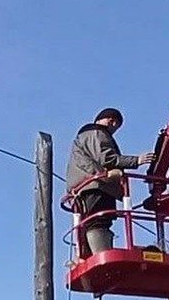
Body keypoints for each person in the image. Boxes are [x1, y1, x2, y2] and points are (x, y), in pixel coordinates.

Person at [66, 107, 155, 256]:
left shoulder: (84, 137)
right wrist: (136, 160)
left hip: (84, 188)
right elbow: (107, 158)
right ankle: (100, 253)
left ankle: (84, 255)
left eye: (117, 124)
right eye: (113, 121)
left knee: (90, 222)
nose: (114, 126)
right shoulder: (97, 133)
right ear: (106, 120)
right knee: (99, 220)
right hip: (96, 186)